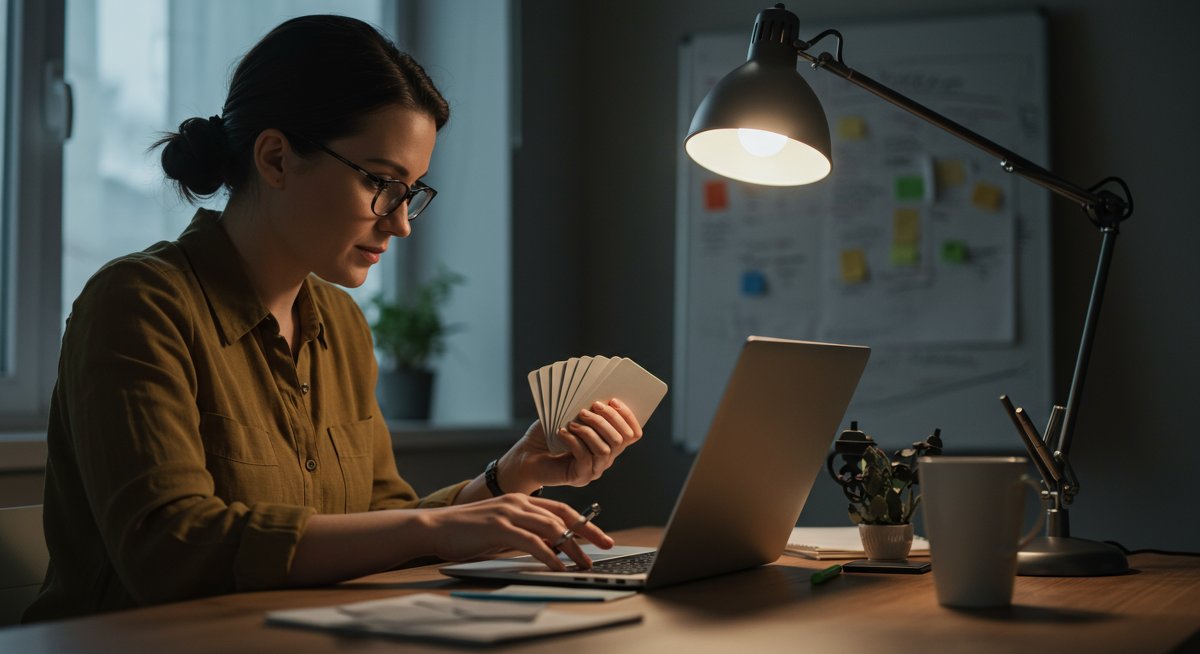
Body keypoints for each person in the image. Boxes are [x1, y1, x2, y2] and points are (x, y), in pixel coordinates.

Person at [24, 15, 642, 622]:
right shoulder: (140, 303)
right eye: (381, 182)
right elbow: (171, 547)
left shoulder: (340, 325)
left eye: (413, 191)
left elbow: (385, 525)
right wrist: (432, 525)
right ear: (276, 159)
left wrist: (510, 476)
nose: (400, 221)